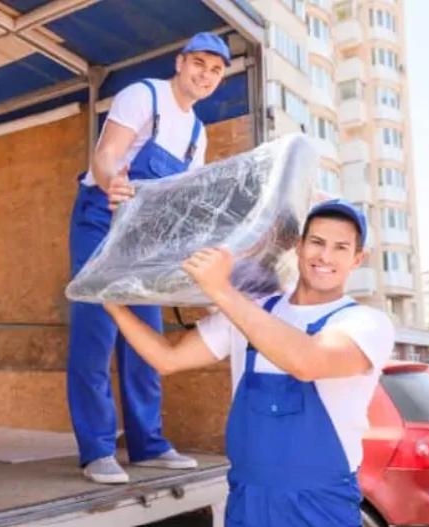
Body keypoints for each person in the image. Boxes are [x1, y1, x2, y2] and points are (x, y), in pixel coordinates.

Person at [105, 199, 394, 525]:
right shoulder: (252, 310)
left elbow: (307, 362)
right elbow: (166, 358)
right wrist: (113, 305)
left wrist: (222, 290)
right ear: (299, 247)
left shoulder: (365, 323)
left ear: (357, 259)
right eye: (317, 242)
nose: (325, 256)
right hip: (247, 502)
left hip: (319, 506)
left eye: (340, 247)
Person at [67, 32, 231, 484]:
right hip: (100, 221)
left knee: (144, 335)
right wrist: (112, 182)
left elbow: (181, 201)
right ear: (180, 62)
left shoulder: (197, 133)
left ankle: (148, 444)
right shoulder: (143, 96)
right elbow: (106, 155)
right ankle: (97, 449)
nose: (206, 75)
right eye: (199, 63)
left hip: (146, 239)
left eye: (216, 70)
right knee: (96, 333)